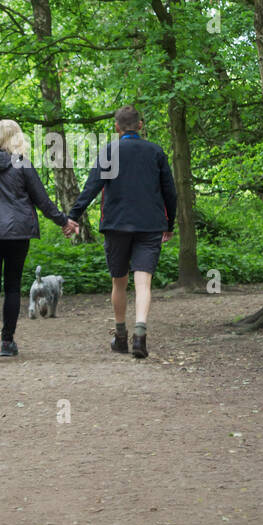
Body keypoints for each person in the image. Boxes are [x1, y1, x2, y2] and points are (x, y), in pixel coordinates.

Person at [0, 119, 78, 357]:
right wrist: (63, 221)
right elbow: (41, 200)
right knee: (12, 286)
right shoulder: (21, 163)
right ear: (17, 139)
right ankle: (7, 342)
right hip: (17, 232)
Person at [66, 105, 176, 359]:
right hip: (150, 225)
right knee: (143, 281)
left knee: (119, 281)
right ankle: (140, 334)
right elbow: (169, 191)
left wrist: (72, 217)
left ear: (117, 128)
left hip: (116, 225)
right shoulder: (155, 152)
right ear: (140, 125)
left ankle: (121, 335)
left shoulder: (110, 151)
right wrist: (169, 224)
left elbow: (92, 186)